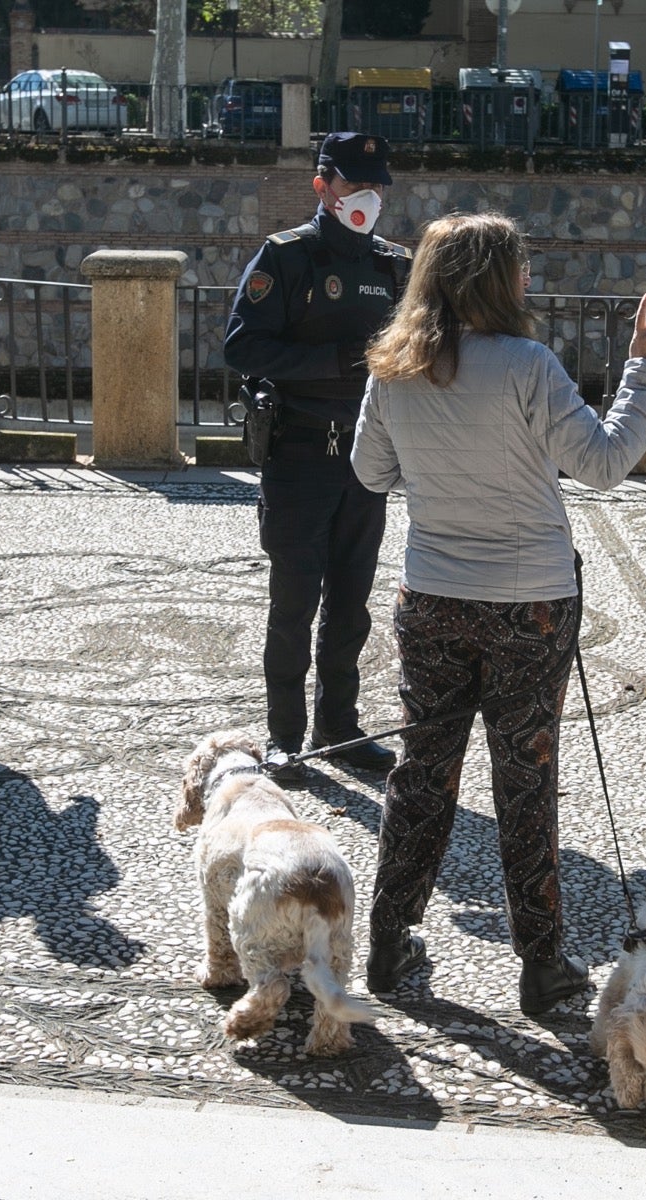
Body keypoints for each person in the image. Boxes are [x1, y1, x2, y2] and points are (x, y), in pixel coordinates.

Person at [350, 212, 646, 1015]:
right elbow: (602, 464)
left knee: (423, 771)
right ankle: (541, 964)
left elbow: (368, 471)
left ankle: (388, 945)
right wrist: (645, 369)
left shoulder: (392, 367)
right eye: (521, 268)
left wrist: (439, 473)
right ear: (498, 280)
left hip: (430, 597)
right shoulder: (528, 365)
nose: (529, 280)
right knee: (524, 779)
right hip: (528, 603)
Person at [224, 132, 411, 781]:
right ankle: (284, 737)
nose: (366, 195)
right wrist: (333, 362)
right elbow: (242, 348)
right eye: (352, 183)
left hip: (364, 460)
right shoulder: (287, 257)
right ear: (321, 185)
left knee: (353, 604)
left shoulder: (394, 266)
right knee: (294, 602)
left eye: (375, 184)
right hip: (299, 457)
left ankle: (340, 726)